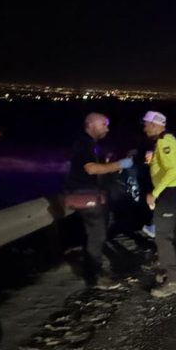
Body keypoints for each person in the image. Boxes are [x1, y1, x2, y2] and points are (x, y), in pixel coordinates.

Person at [65, 113, 133, 289]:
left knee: (97, 235)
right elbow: (91, 169)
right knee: (97, 236)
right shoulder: (84, 144)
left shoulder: (91, 145)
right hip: (87, 196)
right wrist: (120, 165)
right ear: (91, 125)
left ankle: (94, 274)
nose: (107, 128)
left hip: (93, 195)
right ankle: (96, 277)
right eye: (103, 124)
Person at [144, 113, 176, 298]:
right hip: (170, 192)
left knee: (163, 237)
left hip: (169, 192)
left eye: (147, 125)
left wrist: (154, 193)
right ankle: (169, 271)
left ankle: (174, 281)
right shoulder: (164, 141)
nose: (145, 128)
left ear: (155, 125)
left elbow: (173, 170)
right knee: (169, 234)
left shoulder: (165, 142)